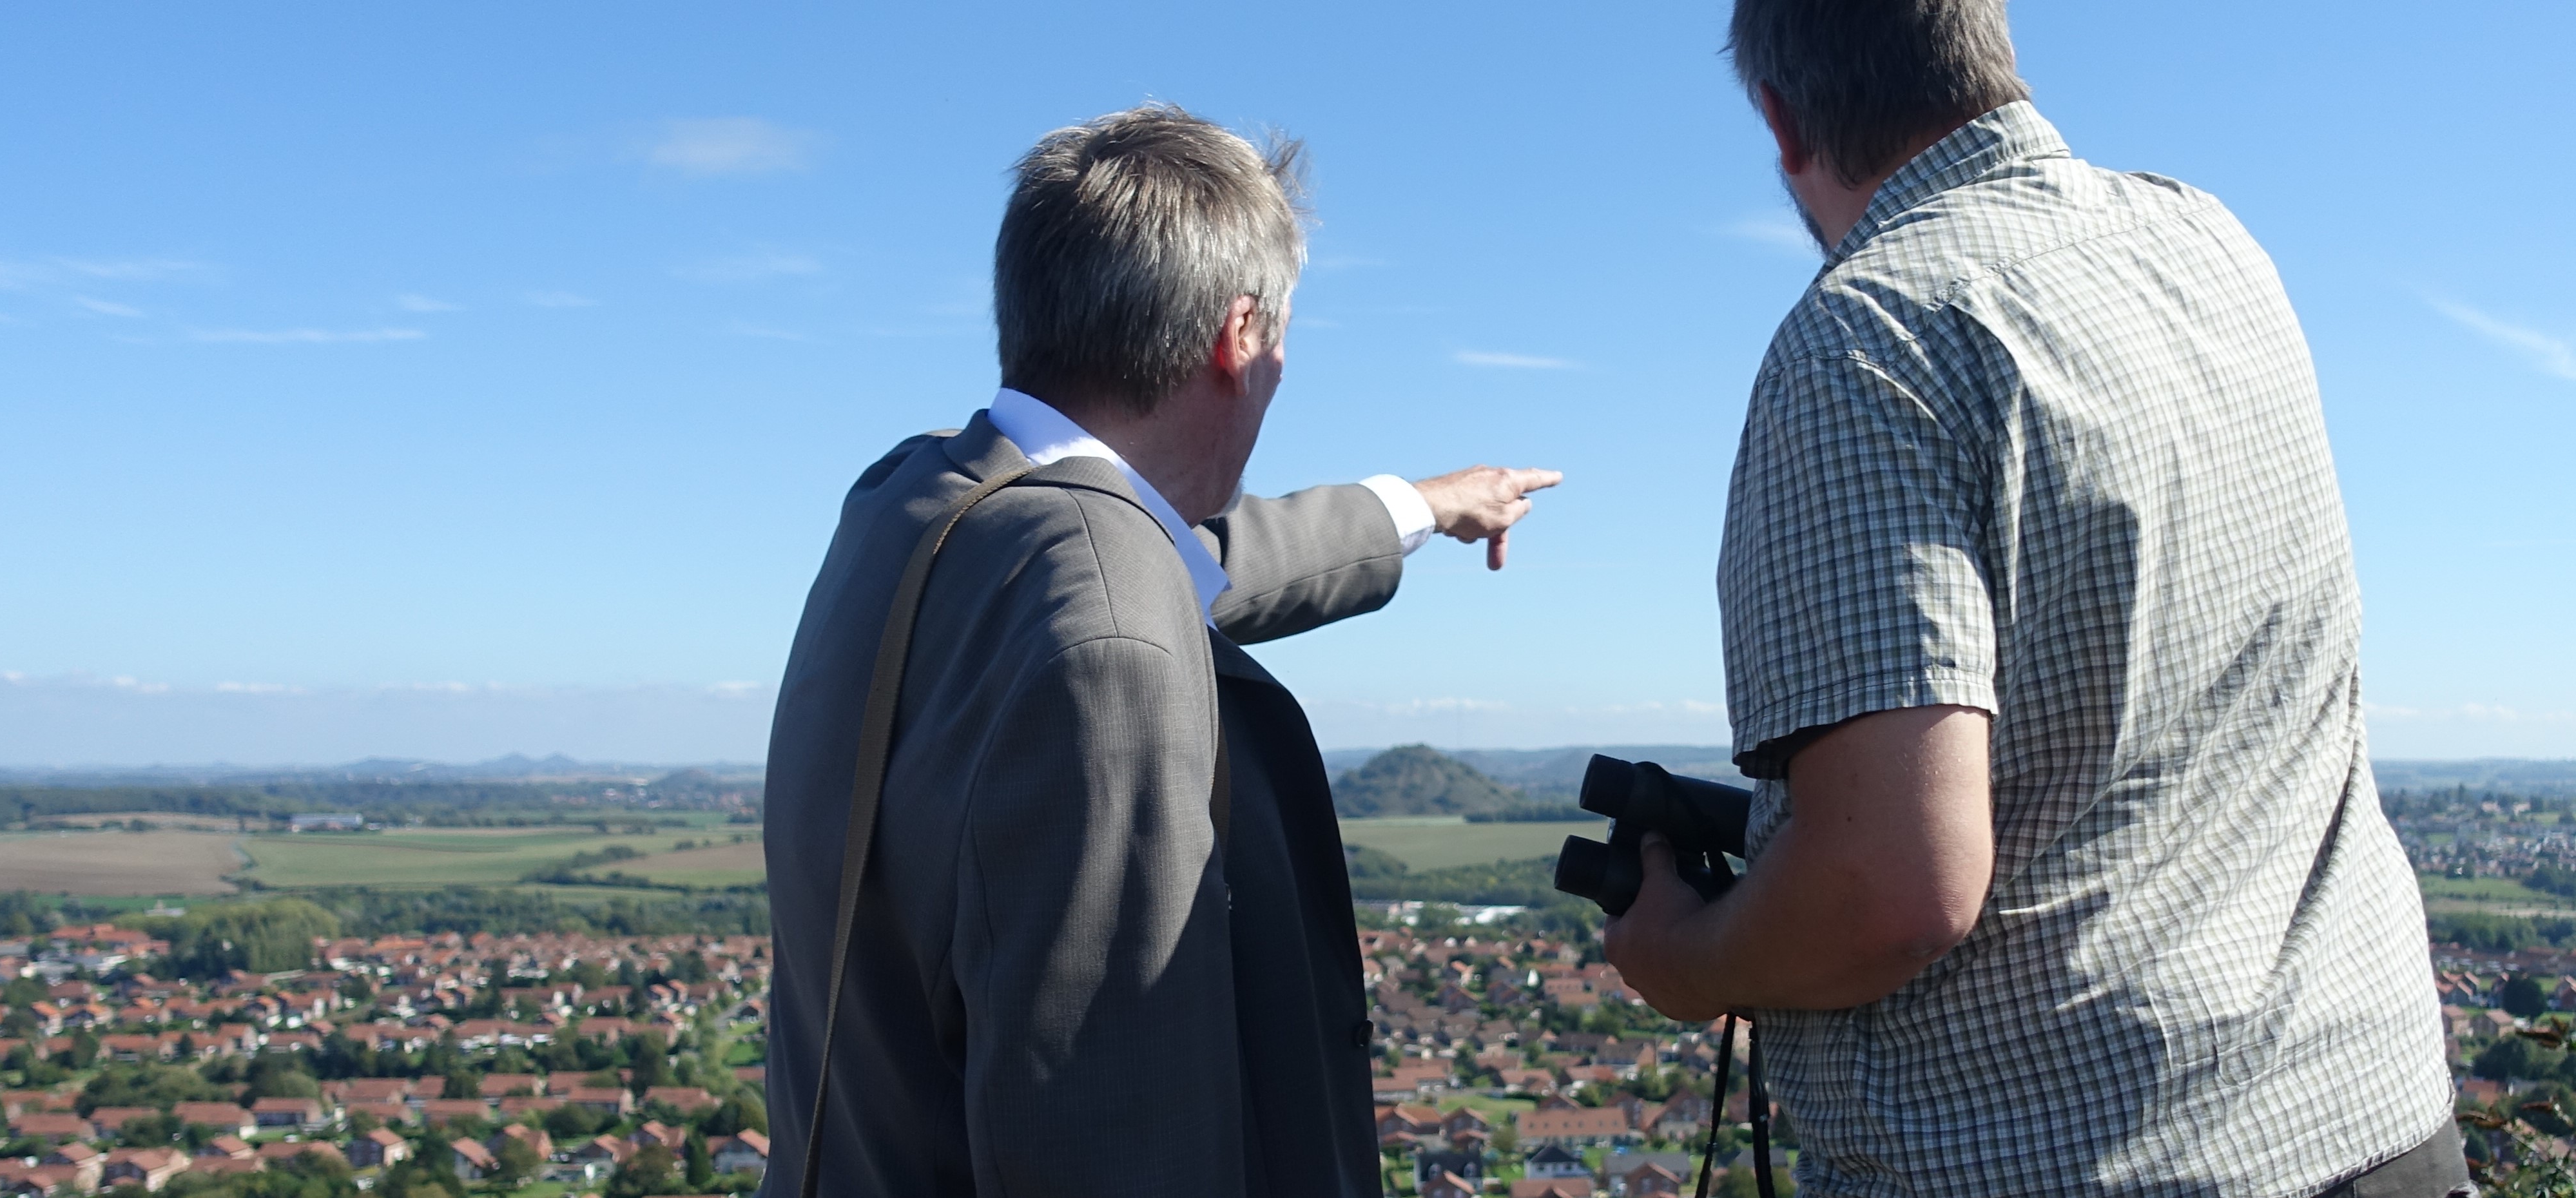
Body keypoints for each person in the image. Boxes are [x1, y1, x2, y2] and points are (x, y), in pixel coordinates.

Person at [1600, 3, 2463, 1195]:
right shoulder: (2205, 239)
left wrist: (1690, 960)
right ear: (1985, 44)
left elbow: (1886, 889)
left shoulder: (1867, 341)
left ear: (1781, 120)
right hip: (2373, 1116)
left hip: (2073, 1162)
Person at [757, 104, 1559, 1198]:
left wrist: (1421, 507)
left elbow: (1172, 564)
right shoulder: (1106, 637)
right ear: (1237, 338)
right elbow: (1112, 1136)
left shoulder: (914, 501)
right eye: (1279, 342)